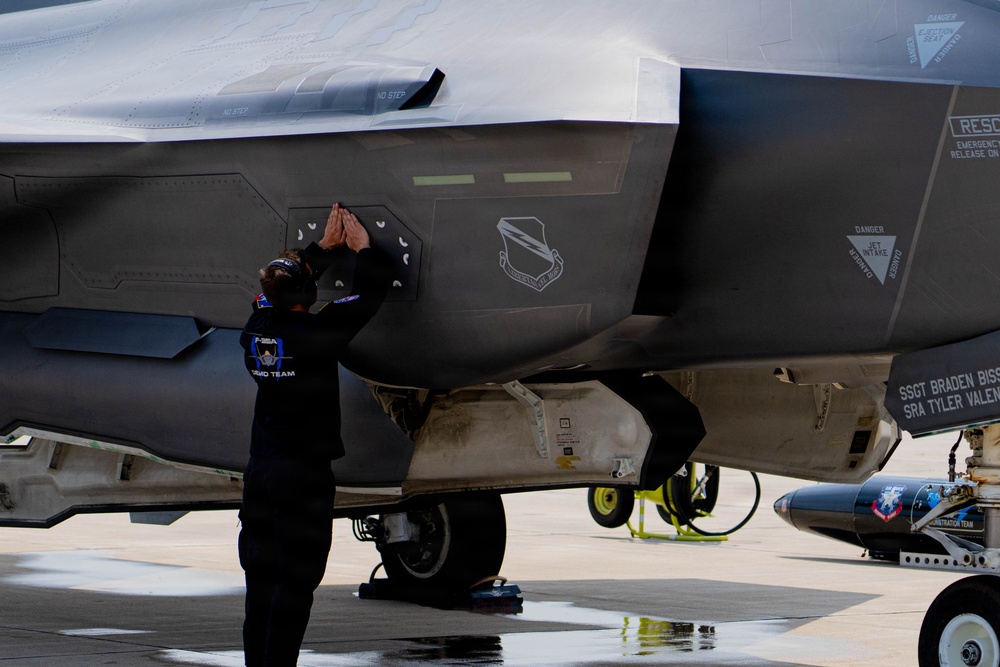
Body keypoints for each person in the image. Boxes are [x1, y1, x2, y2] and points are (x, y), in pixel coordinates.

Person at [238, 203, 392, 667]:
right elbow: (368, 294)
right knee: (296, 580)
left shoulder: (256, 330)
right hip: (302, 477)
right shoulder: (316, 332)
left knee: (260, 580)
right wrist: (364, 249)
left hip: (261, 472)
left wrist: (319, 250)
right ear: (308, 291)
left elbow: (274, 288)